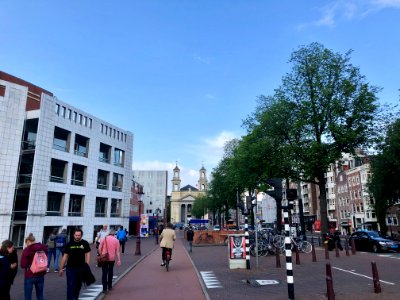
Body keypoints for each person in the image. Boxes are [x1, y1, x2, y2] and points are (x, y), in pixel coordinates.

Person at [58, 228, 91, 300]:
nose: (77, 236)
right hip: (70, 268)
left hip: (81, 268)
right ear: (73, 235)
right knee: (70, 285)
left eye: (79, 235)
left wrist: (87, 265)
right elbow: (65, 256)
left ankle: (75, 297)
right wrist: (61, 268)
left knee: (78, 286)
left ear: (81, 235)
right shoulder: (69, 244)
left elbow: (88, 253)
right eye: (76, 235)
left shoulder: (85, 243)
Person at [20, 233, 48, 300]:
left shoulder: (27, 250)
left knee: (28, 296)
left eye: (26, 243)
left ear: (28, 241)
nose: (26, 245)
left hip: (30, 274)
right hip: (41, 273)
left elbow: (23, 265)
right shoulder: (43, 247)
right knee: (40, 295)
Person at [98, 229, 121, 293]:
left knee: (104, 272)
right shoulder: (116, 240)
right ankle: (110, 285)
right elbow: (118, 251)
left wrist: (101, 254)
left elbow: (99, 248)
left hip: (104, 258)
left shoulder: (103, 239)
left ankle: (104, 288)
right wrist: (119, 260)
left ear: (109, 233)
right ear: (114, 234)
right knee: (110, 271)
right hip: (112, 258)